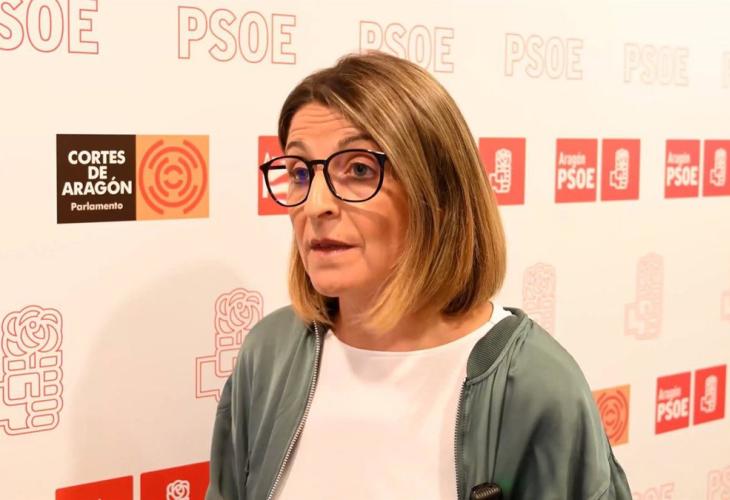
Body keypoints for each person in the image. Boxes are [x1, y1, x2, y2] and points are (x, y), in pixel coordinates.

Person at [206, 51, 631, 500]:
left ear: (437, 193)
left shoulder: (536, 386)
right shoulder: (267, 355)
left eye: (358, 170)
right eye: (298, 172)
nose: (315, 205)